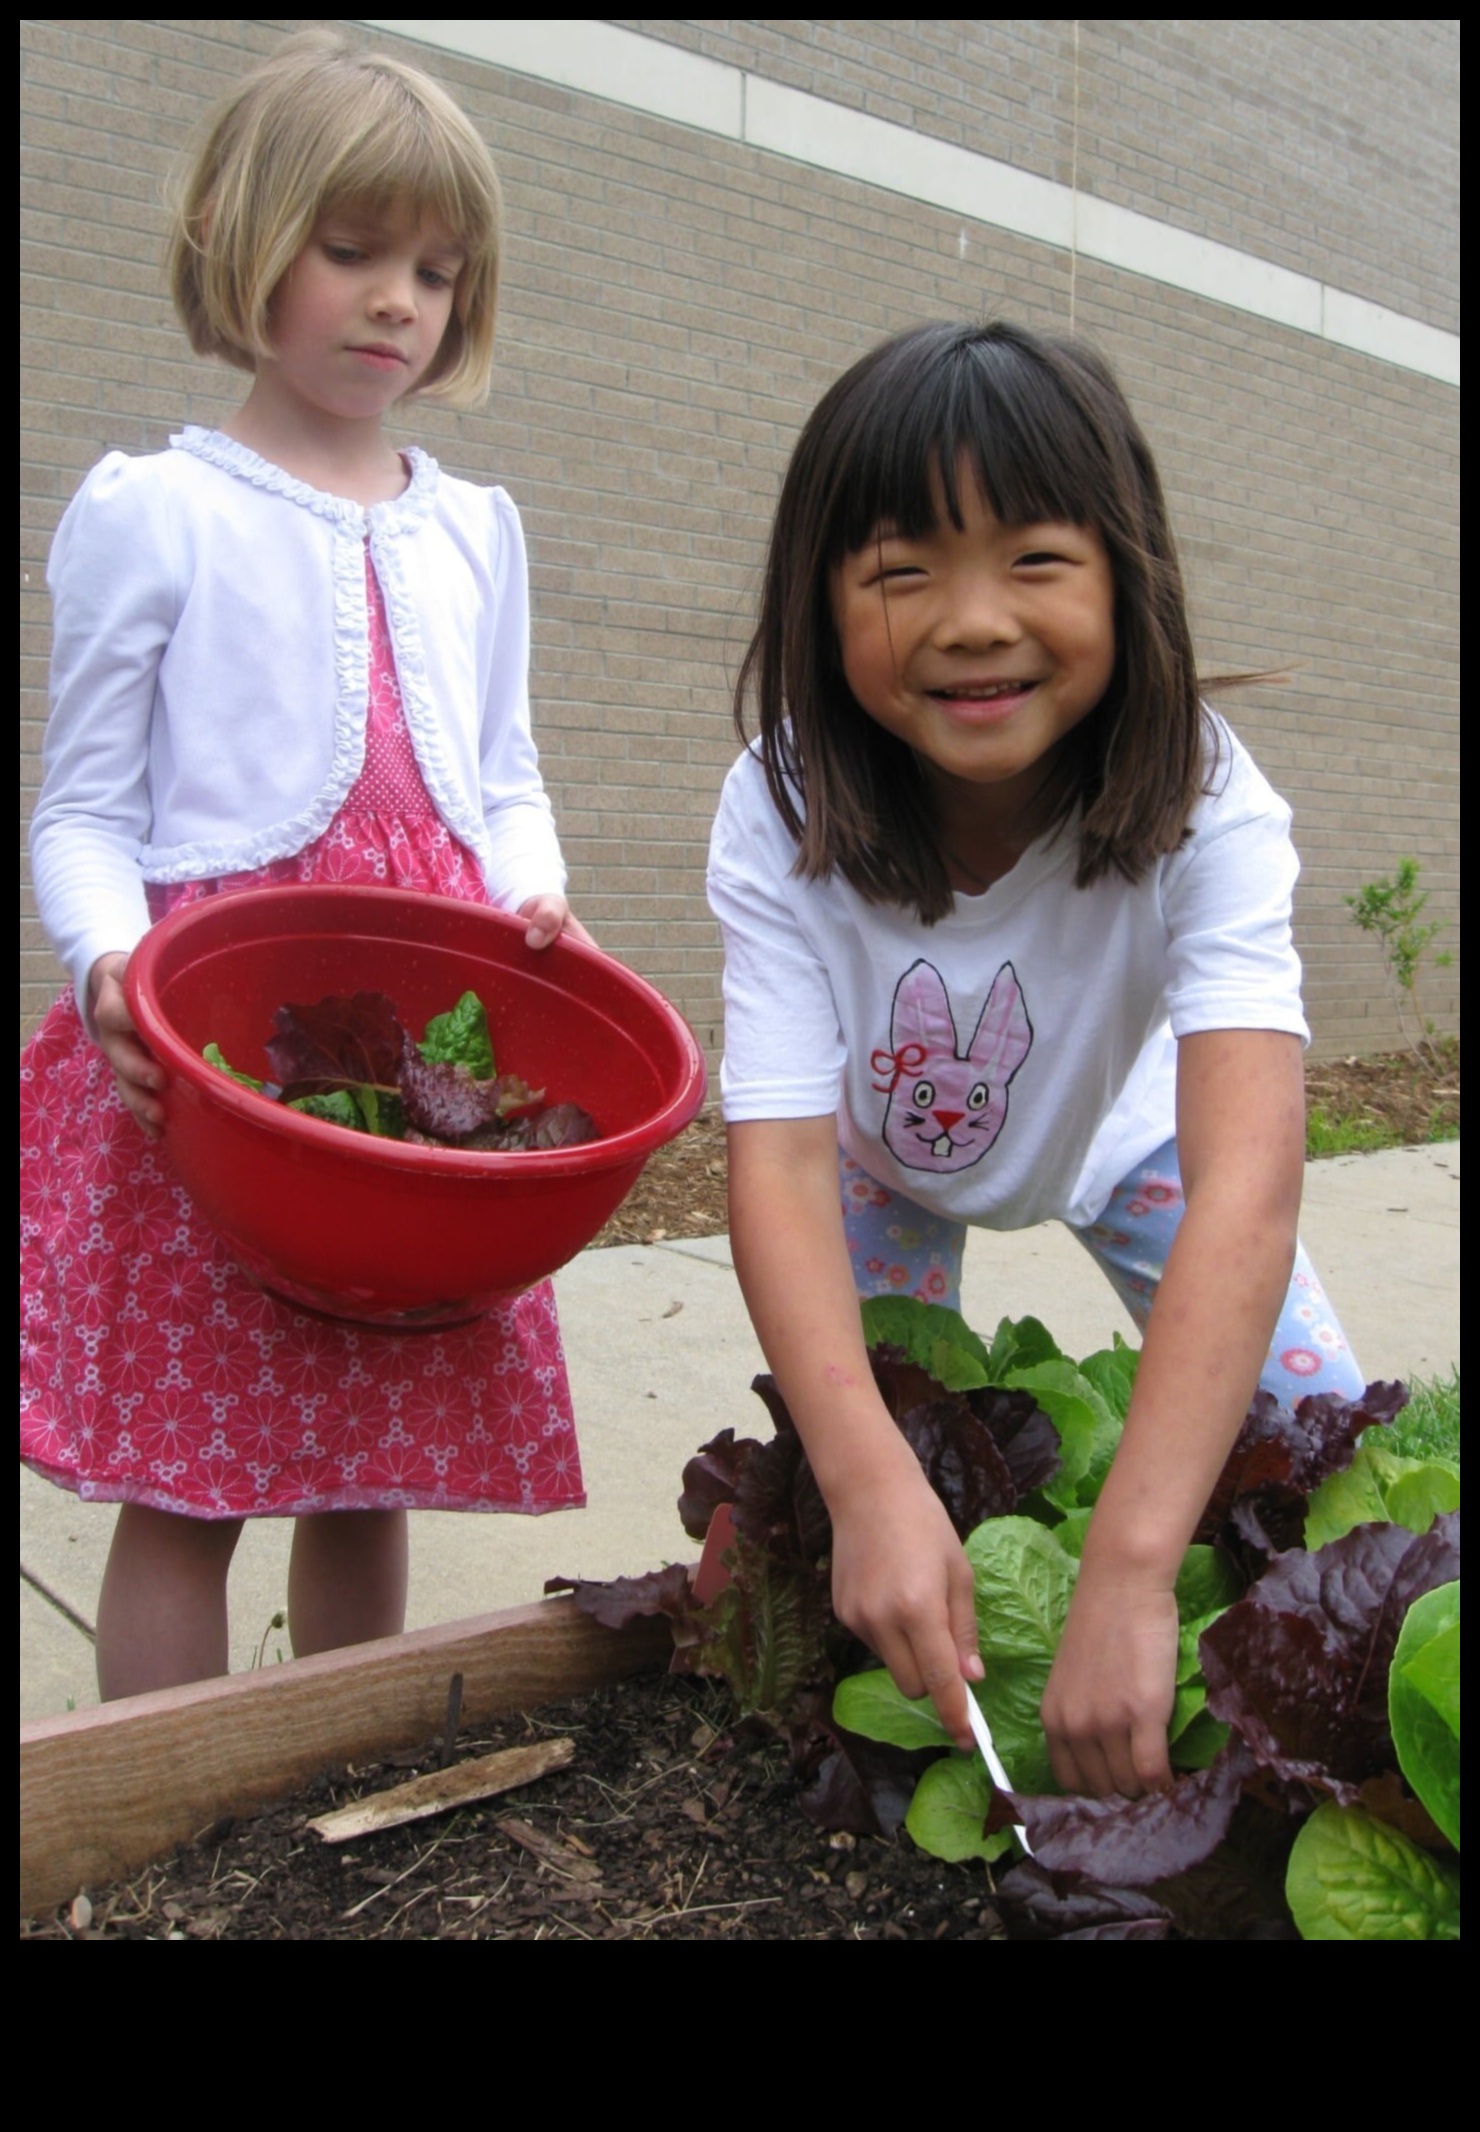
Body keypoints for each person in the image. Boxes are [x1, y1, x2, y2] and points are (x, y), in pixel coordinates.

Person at [707, 319, 1366, 1799]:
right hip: (879, 1159)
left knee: (1324, 1442)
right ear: (820, 600)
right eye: (903, 573)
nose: (972, 621)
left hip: (1136, 1143)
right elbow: (783, 1164)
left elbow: (1247, 1190)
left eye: (1037, 561)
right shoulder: (781, 804)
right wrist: (866, 1477)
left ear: (1128, 577)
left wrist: (1129, 1569)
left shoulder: (1209, 802)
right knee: (824, 1504)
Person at [22, 30, 592, 1700]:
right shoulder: (157, 510)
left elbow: (505, 774)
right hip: (219, 1041)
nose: (397, 299)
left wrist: (533, 889)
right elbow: (82, 811)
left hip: (415, 1052)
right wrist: (108, 967)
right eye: (352, 250)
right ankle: (168, 1801)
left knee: (369, 1451)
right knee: (190, 1477)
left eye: (437, 270)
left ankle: (337, 1768)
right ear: (242, 241)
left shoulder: (475, 527)